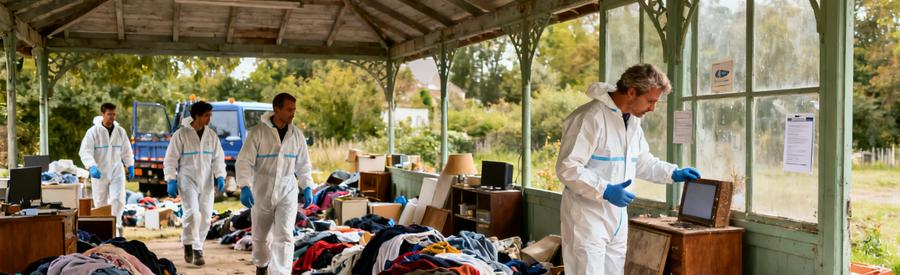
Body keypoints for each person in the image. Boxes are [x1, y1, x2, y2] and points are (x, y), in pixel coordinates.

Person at [556, 64, 702, 274]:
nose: (652, 108)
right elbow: (567, 167)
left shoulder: (632, 121)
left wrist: (673, 173)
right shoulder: (590, 117)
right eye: (650, 101)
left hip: (617, 217)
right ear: (632, 92)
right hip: (587, 217)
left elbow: (641, 162)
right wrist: (605, 189)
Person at [237, 93, 316, 275]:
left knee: (285, 236)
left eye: (294, 110)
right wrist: (245, 186)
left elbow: (304, 164)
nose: (292, 114)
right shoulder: (258, 132)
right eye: (289, 109)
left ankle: (280, 272)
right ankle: (262, 265)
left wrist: (307, 186)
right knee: (261, 237)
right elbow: (244, 161)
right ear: (276, 109)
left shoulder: (296, 135)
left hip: (287, 191)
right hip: (262, 191)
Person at [163, 101, 226, 266]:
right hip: (187, 179)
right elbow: (170, 159)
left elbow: (218, 158)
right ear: (196, 115)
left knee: (205, 217)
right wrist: (170, 179)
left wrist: (220, 176)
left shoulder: (211, 135)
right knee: (192, 213)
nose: (209, 119)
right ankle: (197, 249)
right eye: (206, 115)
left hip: (206, 181)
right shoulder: (181, 134)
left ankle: (188, 241)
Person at [79, 103, 135, 237]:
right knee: (100, 203)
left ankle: (116, 229)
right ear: (103, 114)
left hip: (116, 171)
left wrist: (130, 165)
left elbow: (127, 150)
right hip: (99, 172)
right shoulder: (93, 132)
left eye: (114, 114)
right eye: (109, 114)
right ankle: (102, 233)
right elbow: (85, 151)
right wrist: (91, 166)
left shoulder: (120, 131)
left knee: (118, 199)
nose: (112, 117)